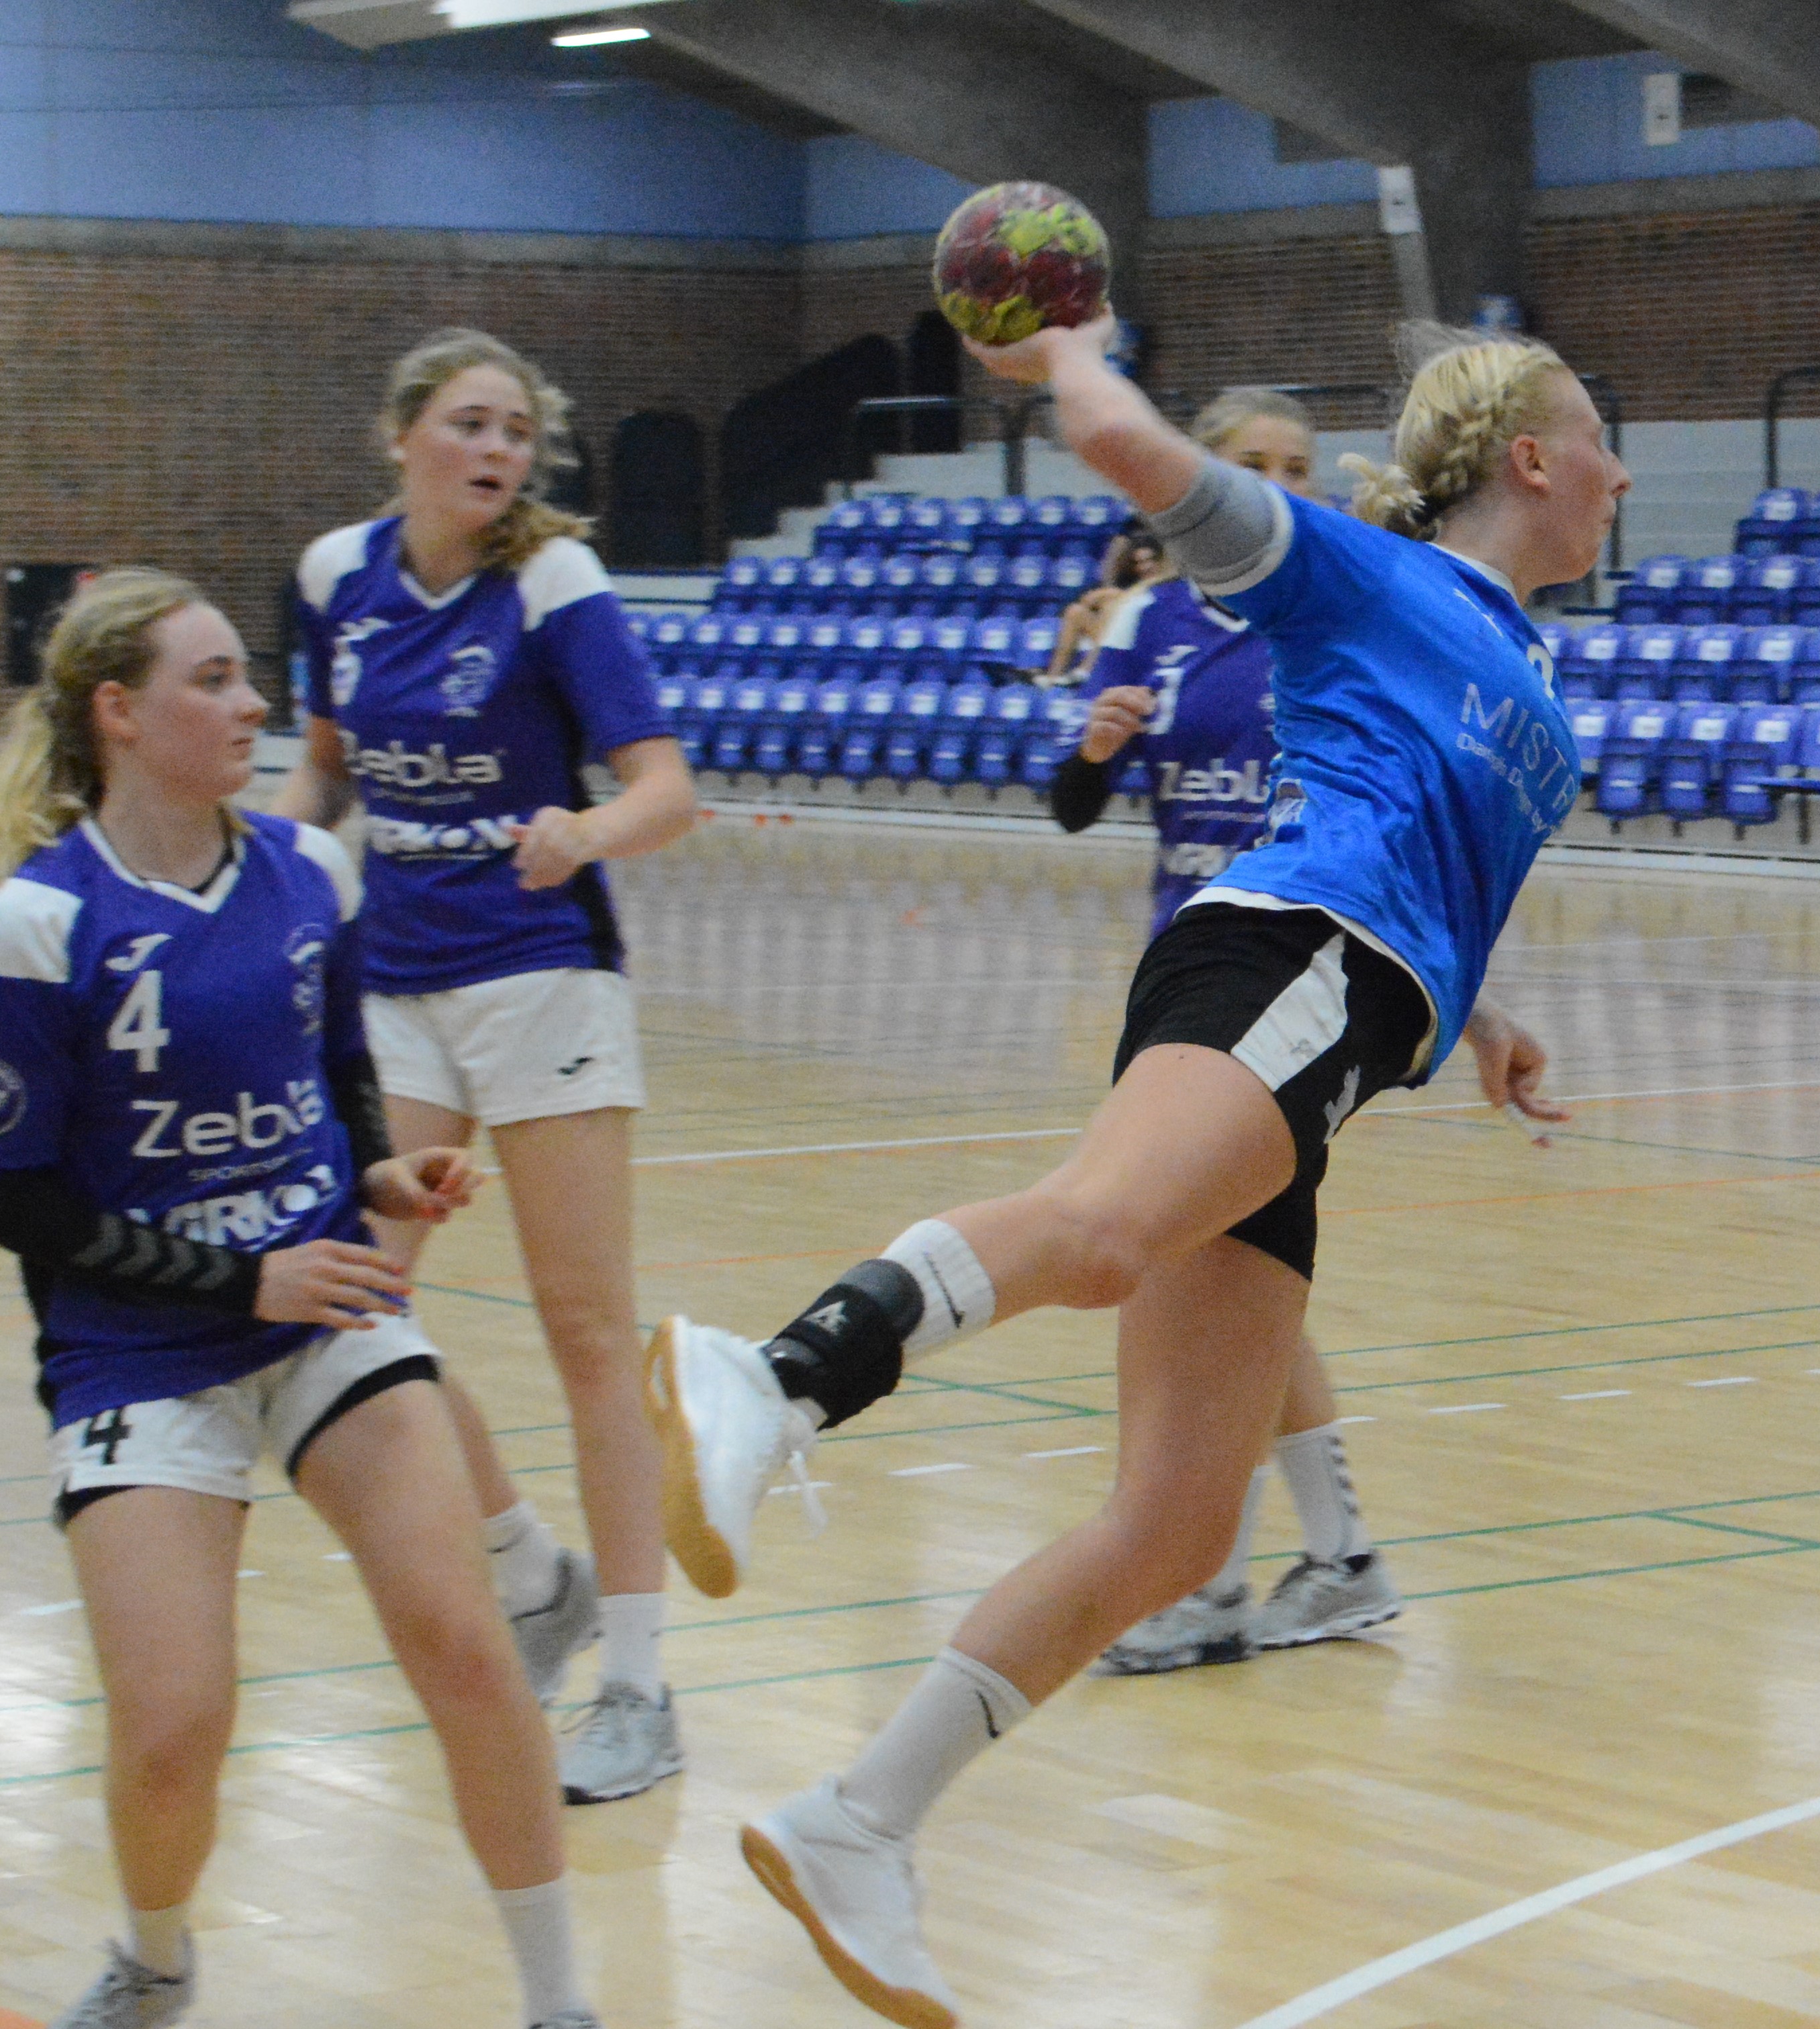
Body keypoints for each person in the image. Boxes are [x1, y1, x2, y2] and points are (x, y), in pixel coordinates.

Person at [640, 311, 1609, 2029]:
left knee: (1175, 1524)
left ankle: (861, 1819)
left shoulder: (1506, 645)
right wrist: (1071, 354)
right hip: (1283, 964)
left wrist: (1480, 1015)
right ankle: (765, 1379)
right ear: (1532, 457)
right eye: (1599, 435)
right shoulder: (1373, 576)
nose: (1617, 468)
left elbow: (1416, 837)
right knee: (1094, 1234)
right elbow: (1145, 466)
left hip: (1346, 1012)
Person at [0, 571, 604, 2029]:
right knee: (174, 1723)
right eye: (212, 680)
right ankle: (156, 1961)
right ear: (121, 713)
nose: (254, 703)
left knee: (465, 1644)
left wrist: (378, 1171)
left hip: (324, 1304)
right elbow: (20, 1206)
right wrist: (241, 1273)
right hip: (137, 1348)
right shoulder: (37, 922)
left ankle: (560, 2004)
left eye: (248, 674)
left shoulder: (312, 868)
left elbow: (338, 1067)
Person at [271, 330, 700, 1803]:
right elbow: (325, 766)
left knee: (585, 1328)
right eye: (470, 423)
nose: (499, 450)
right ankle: (531, 1572)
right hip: (393, 972)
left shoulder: (553, 583)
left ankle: (640, 1685)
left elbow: (665, 787)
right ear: (403, 434)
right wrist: (270, 874)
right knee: (355, 1302)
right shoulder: (337, 575)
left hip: (539, 973)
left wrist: (586, 832)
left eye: (518, 430)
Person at [1047, 385, 1405, 1674]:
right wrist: (1096, 751)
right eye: (1255, 462)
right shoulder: (1147, 621)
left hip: (1293, 975)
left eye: (1300, 466)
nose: (1282, 483)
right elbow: (1073, 806)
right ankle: (1340, 1558)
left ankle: (1214, 1581)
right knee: (1244, 1273)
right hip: (1185, 976)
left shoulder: (1332, 621)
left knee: (1205, 1269)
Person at [1040, 527, 1160, 681]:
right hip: (1121, 636)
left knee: (1111, 606)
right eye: (1139, 563)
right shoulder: (1131, 581)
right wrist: (1110, 594)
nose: (1145, 567)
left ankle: (1086, 670)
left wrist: (1116, 596)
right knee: (1075, 612)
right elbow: (1088, 600)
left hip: (1147, 639)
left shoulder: (1167, 582)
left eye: (1150, 560)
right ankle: (1053, 677)